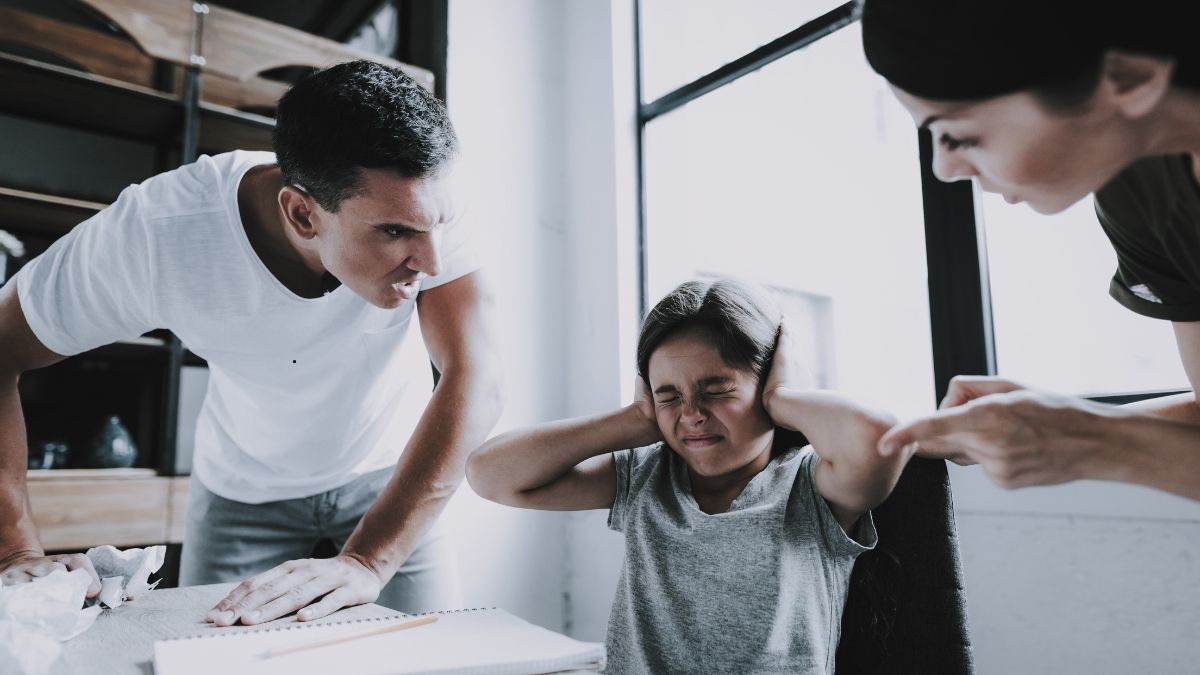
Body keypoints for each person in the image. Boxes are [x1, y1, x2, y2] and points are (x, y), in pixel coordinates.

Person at [0, 60, 502, 624]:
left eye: (439, 227)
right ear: (303, 214)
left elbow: (475, 375)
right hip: (243, 494)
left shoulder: (427, 202)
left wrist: (368, 559)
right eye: (394, 232)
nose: (432, 262)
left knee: (429, 660)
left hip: (390, 477)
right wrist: (16, 551)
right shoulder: (157, 233)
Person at [466, 279, 910, 673]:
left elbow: (880, 436)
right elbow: (490, 475)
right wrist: (635, 420)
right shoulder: (644, 476)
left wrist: (783, 397)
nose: (693, 415)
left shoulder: (810, 489)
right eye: (670, 395)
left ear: (766, 385)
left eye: (716, 390)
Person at [859, 0, 1200, 501]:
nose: (944, 169)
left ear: (1129, 78)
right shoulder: (1139, 189)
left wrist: (1097, 444)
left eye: (958, 135)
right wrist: (1047, 424)